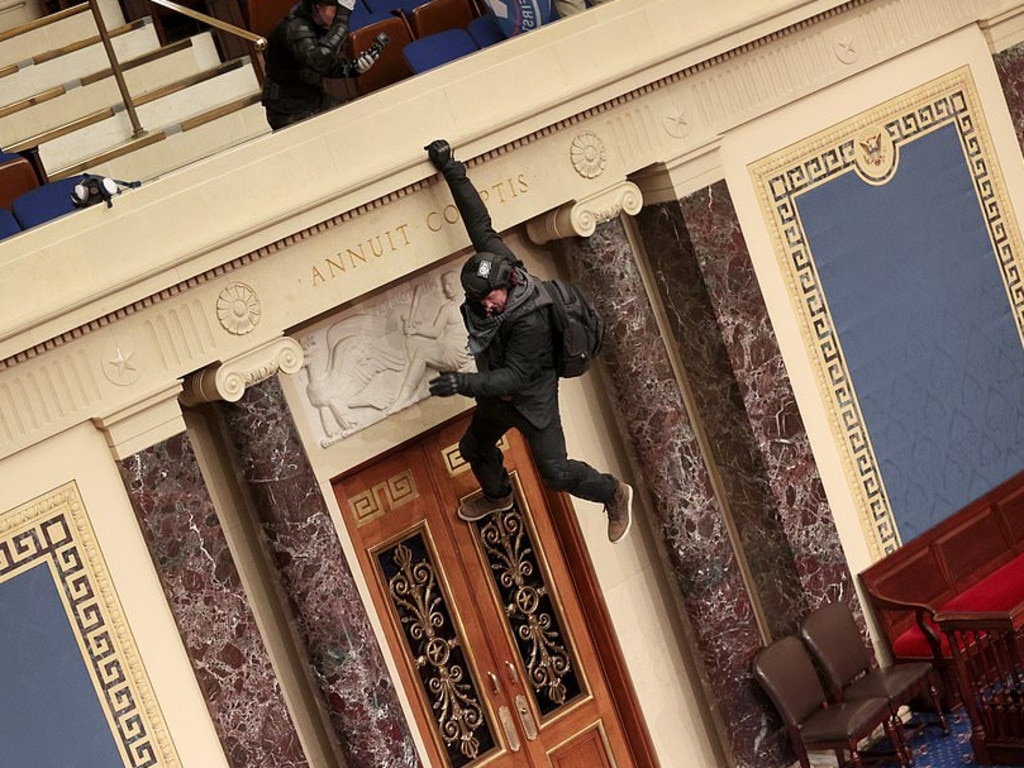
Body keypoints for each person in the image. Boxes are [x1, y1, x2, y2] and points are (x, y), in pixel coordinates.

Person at [423, 138, 634, 543]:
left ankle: (613, 492)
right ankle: (498, 495)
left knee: (555, 474)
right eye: (478, 300)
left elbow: (513, 378)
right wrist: (452, 169)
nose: (486, 306)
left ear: (507, 284)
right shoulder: (500, 263)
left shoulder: (530, 319)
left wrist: (460, 384)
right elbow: (479, 223)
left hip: (531, 399)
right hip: (496, 399)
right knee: (473, 449)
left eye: (491, 297)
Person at [261, 0, 379, 130]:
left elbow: (325, 64)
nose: (337, 16)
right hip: (287, 109)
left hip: (312, 96)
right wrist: (341, 23)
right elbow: (318, 60)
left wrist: (353, 67)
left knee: (355, 122)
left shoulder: (319, 24)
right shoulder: (295, 27)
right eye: (335, 11)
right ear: (318, 7)